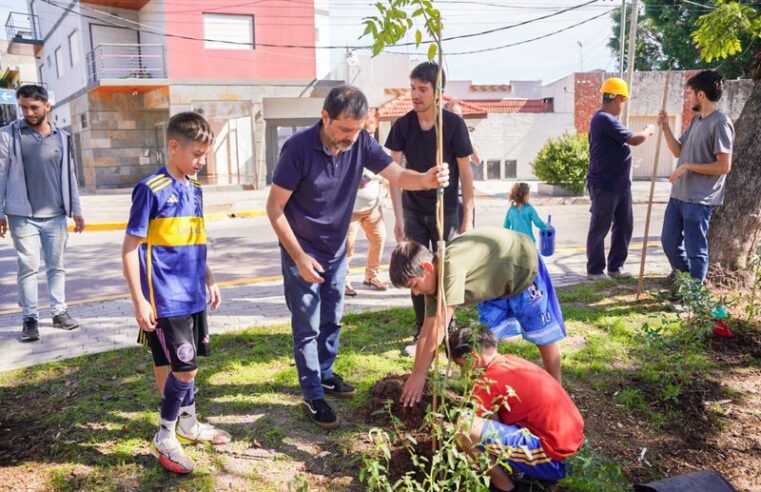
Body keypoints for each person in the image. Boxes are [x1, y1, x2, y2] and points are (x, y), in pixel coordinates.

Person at [266, 85, 449, 429]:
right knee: (307, 326)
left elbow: (396, 175)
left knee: (332, 318)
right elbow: (274, 209)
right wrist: (300, 257)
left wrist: (425, 179)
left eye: (358, 129)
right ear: (325, 117)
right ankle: (312, 393)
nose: (351, 138)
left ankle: (326, 373)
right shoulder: (297, 149)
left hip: (336, 251)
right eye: (344, 130)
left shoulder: (362, 141)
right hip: (301, 252)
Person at [122, 112, 230, 475]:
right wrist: (140, 300)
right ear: (173, 146)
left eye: (205, 154)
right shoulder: (150, 190)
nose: (202, 162)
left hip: (193, 296)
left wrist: (209, 277)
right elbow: (129, 250)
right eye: (197, 154)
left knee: (179, 366)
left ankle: (188, 424)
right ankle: (164, 436)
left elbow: (196, 241)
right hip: (166, 300)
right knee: (185, 369)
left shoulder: (195, 190)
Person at [389, 226, 566, 408]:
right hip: (494, 283)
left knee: (542, 335)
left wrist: (420, 375)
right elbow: (427, 330)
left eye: (414, 285)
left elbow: (441, 324)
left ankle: (557, 393)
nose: (416, 293)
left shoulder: (450, 267)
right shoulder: (431, 284)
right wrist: (416, 373)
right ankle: (490, 398)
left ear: (426, 267)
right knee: (484, 348)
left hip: (520, 265)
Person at [386, 62, 475, 341]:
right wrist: (398, 218)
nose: (415, 94)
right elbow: (394, 175)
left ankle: (446, 327)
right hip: (413, 210)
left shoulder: (454, 125)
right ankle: (420, 328)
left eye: (422, 89)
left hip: (445, 210)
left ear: (438, 93)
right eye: (412, 88)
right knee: (415, 270)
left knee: (445, 268)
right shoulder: (402, 126)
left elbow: (465, 174)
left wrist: (467, 219)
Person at [450, 326, 585, 492]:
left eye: (462, 366)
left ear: (473, 357)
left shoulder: (486, 382)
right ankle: (523, 473)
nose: (464, 373)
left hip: (555, 460)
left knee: (465, 427)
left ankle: (505, 486)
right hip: (575, 451)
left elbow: (482, 430)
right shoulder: (512, 360)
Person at [0, 84, 85, 343]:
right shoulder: (8, 135)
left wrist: (77, 210)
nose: (28, 112)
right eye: (23, 107)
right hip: (21, 215)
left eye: (34, 107)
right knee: (28, 266)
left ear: (47, 106)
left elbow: (69, 175)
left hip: (56, 215)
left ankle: (59, 312)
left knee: (56, 266)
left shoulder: (62, 137)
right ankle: (30, 319)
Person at [657, 70, 734, 285]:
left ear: (701, 95)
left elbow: (724, 165)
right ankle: (686, 284)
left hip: (699, 199)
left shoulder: (720, 123)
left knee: (695, 251)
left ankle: (693, 295)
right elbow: (677, 151)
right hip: (679, 195)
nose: (687, 97)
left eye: (689, 93)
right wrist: (664, 128)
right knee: (669, 242)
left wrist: (688, 167)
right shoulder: (696, 121)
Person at [586, 77, 655, 281]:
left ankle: (616, 267)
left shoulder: (610, 120)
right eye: (622, 101)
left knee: (624, 225)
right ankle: (595, 270)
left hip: (620, 185)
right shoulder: (603, 119)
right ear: (616, 98)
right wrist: (649, 130)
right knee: (600, 226)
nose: (622, 106)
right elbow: (635, 139)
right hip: (604, 185)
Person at [344, 109, 388, 296]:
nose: (369, 136)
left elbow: (388, 170)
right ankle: (343, 280)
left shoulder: (373, 147)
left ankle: (371, 275)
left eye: (371, 132)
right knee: (347, 246)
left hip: (372, 208)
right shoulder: (348, 148)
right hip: (351, 209)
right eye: (365, 132)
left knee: (379, 238)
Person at [444, 100, 481, 229]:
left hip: (462, 194)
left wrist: (465, 136)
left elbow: (477, 160)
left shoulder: (466, 134)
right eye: (455, 116)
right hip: (445, 195)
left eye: (460, 116)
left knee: (467, 238)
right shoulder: (439, 134)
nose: (458, 120)